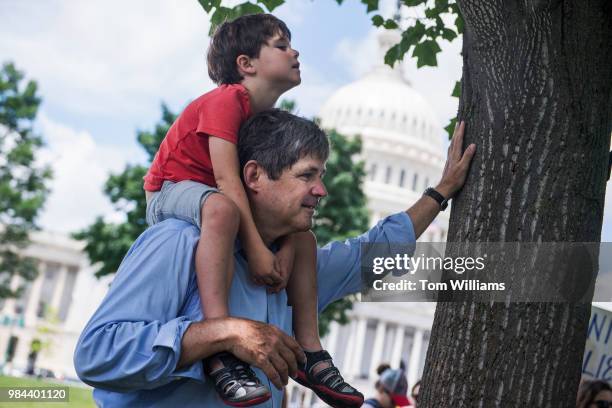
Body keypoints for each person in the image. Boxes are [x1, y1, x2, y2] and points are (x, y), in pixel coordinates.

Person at [74, 110, 475, 407]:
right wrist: (224, 333)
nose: (321, 191)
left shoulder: (302, 268)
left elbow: (374, 254)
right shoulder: (178, 241)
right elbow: (97, 354)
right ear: (254, 177)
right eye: (306, 176)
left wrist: (440, 193)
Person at [142, 13, 358, 406]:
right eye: (281, 45)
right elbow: (229, 181)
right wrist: (259, 251)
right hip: (168, 192)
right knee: (223, 211)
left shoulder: (259, 120)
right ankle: (220, 344)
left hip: (211, 197)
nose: (295, 52)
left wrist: (289, 244)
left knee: (304, 238)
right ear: (246, 64)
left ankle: (308, 350)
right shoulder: (228, 101)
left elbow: (256, 189)